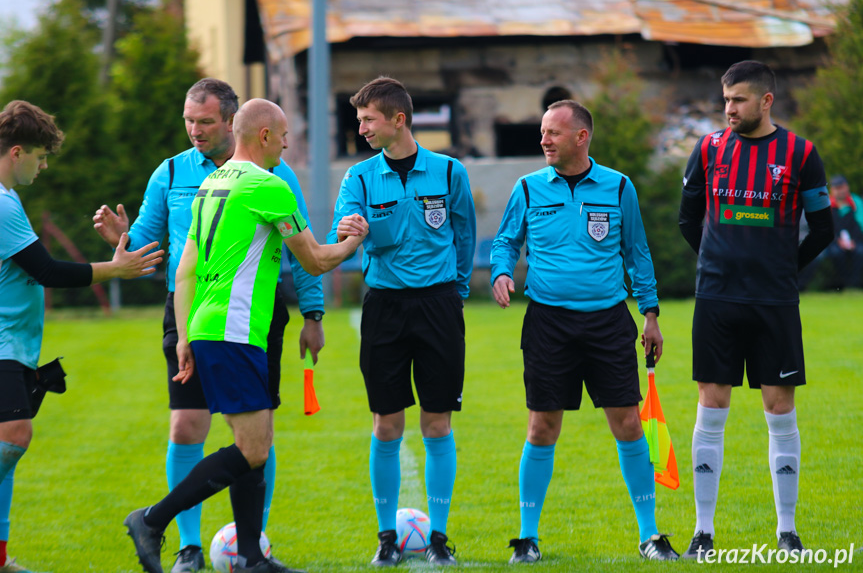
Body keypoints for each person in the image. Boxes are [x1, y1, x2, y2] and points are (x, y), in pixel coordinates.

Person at [123, 98, 368, 573]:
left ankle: (253, 557)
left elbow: (187, 267)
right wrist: (355, 239)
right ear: (262, 136)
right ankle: (152, 519)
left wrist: (184, 336)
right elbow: (314, 259)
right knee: (253, 448)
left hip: (212, 326)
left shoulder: (211, 183)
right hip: (236, 330)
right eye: (282, 136)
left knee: (255, 442)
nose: (286, 144)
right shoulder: (267, 186)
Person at [491, 99, 678, 563]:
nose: (543, 140)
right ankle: (527, 539)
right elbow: (505, 239)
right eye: (542, 131)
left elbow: (637, 252)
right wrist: (500, 271)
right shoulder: (529, 188)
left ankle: (651, 536)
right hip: (548, 322)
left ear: (581, 137)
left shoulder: (618, 187)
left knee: (629, 423)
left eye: (553, 132)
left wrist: (650, 313)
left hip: (609, 321)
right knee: (541, 427)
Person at [678, 60, 833, 559]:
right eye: (725, 100)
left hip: (774, 302)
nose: (729, 109)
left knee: (780, 410)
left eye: (738, 100)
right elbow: (689, 219)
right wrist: (717, 263)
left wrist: (786, 271)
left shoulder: (801, 153)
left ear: (766, 101)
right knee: (712, 406)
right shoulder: (708, 149)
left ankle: (787, 531)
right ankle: (703, 532)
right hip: (718, 300)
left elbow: (824, 228)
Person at [0, 100, 163, 573]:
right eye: (40, 155)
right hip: (3, 343)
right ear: (16, 152)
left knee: (6, 449)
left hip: (16, 344)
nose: (44, 165)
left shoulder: (9, 200)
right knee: (13, 436)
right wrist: (115, 268)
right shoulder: (3, 203)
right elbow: (46, 270)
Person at [328, 77, 476, 567]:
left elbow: (464, 231)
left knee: (437, 424)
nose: (362, 128)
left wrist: (455, 293)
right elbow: (342, 229)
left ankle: (438, 539)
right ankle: (387, 540)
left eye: (369, 119)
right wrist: (351, 230)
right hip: (385, 308)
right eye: (359, 121)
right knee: (386, 424)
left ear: (399, 119)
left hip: (438, 308)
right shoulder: (360, 178)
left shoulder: (449, 171)